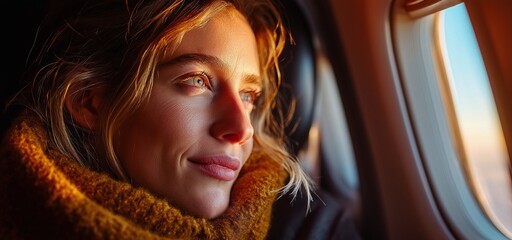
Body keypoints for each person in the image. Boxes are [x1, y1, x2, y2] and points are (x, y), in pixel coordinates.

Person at [0, 0, 317, 239]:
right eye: (197, 81)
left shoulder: (313, 227)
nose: (242, 129)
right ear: (90, 102)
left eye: (248, 95)